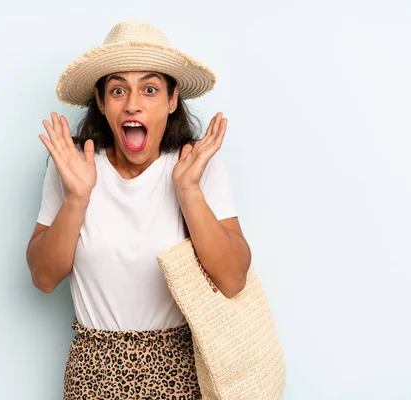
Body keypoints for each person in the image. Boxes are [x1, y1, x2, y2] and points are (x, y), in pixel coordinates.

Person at [26, 21, 251, 399]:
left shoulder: (196, 165)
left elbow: (232, 280)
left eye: (149, 89)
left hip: (180, 372)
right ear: (100, 102)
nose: (133, 104)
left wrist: (188, 190)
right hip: (92, 374)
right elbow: (44, 278)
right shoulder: (73, 167)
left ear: (172, 99)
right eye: (117, 90)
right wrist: (78, 196)